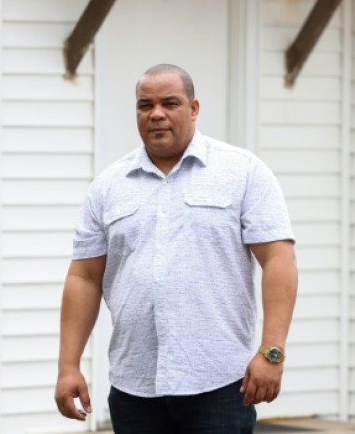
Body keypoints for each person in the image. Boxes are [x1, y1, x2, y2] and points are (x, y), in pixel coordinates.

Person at [54, 63, 298, 433]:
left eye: (170, 103)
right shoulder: (108, 186)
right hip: (134, 385)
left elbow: (279, 259)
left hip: (220, 384)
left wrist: (272, 351)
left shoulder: (243, 172)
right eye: (144, 105)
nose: (156, 114)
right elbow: (84, 278)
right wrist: (68, 366)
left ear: (194, 108)